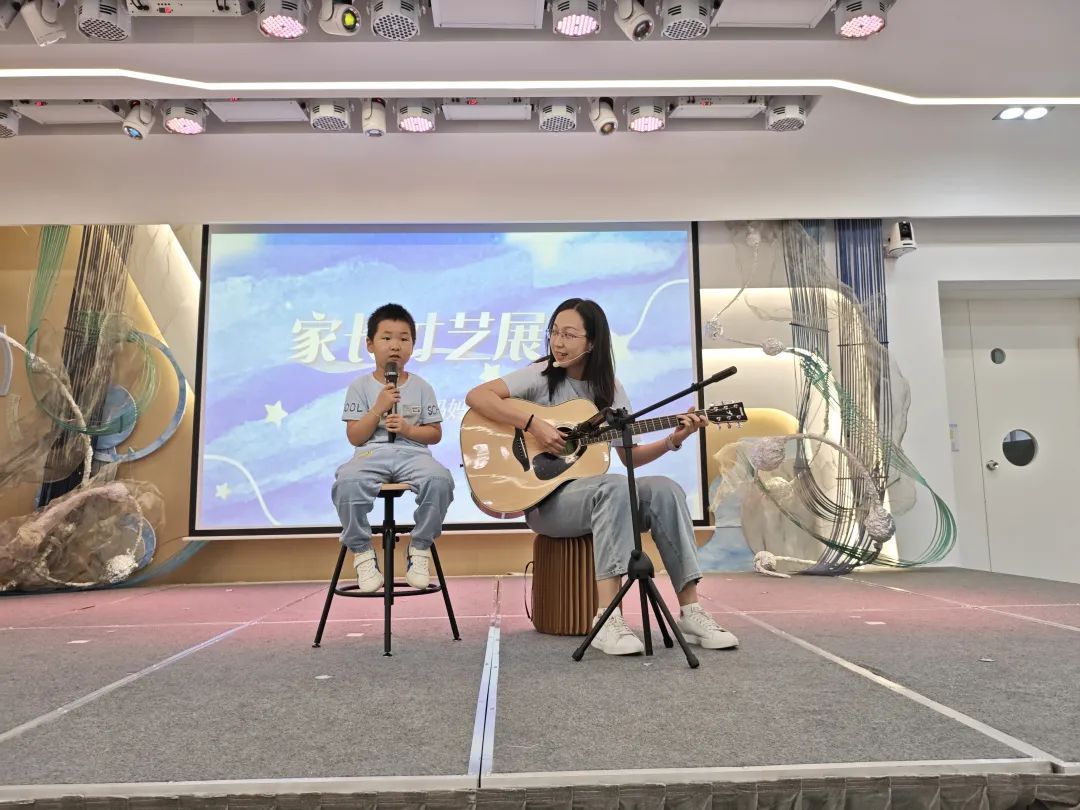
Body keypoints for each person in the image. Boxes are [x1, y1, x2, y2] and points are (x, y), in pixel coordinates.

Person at [465, 298, 738, 656]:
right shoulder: (541, 374)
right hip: (546, 503)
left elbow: (629, 457)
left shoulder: (609, 390)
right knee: (612, 487)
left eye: (569, 335)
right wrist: (532, 424)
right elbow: (477, 396)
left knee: (666, 489)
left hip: (597, 497)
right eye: (554, 333)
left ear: (592, 343)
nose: (558, 342)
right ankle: (607, 618)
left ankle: (691, 611)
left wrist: (674, 439)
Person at [332, 303, 454, 592]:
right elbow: (355, 436)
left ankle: (419, 548)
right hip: (370, 454)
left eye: (404, 338)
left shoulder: (422, 386)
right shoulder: (359, 386)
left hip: (414, 454)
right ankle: (362, 553)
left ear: (413, 345)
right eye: (386, 338)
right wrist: (378, 408)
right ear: (370, 344)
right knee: (347, 483)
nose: (395, 346)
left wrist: (409, 430)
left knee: (440, 480)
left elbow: (435, 434)